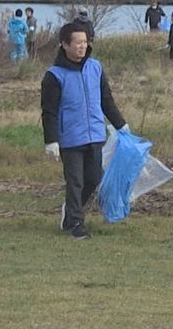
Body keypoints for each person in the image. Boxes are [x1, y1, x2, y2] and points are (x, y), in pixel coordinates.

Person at [41, 22, 129, 239]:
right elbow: (49, 111)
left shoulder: (95, 68)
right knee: (75, 181)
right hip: (70, 138)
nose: (82, 46)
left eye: (84, 42)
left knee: (93, 178)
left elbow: (106, 99)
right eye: (77, 42)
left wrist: (121, 124)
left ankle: (70, 211)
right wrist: (51, 140)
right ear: (64, 45)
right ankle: (77, 224)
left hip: (95, 134)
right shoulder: (54, 75)